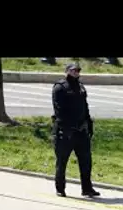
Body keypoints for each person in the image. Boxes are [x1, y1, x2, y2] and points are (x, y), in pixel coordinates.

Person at [51, 62, 100, 198]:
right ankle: (60, 188)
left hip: (81, 131)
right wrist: (66, 128)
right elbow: (59, 110)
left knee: (86, 161)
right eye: (73, 71)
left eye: (78, 71)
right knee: (62, 162)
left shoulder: (80, 87)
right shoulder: (60, 87)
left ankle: (87, 188)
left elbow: (85, 107)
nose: (76, 73)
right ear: (67, 71)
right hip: (65, 132)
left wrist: (89, 124)